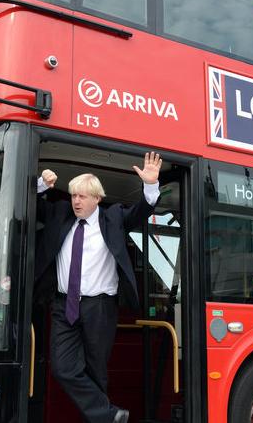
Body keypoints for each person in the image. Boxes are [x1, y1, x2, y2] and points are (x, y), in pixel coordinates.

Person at [35, 152, 162, 423]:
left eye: (82, 196)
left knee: (95, 370)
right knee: (62, 367)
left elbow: (140, 212)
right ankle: (108, 415)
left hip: (99, 306)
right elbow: (30, 207)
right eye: (73, 195)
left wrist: (150, 186)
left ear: (97, 198)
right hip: (63, 305)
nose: (76, 201)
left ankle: (103, 419)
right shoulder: (60, 214)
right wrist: (42, 186)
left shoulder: (113, 217)